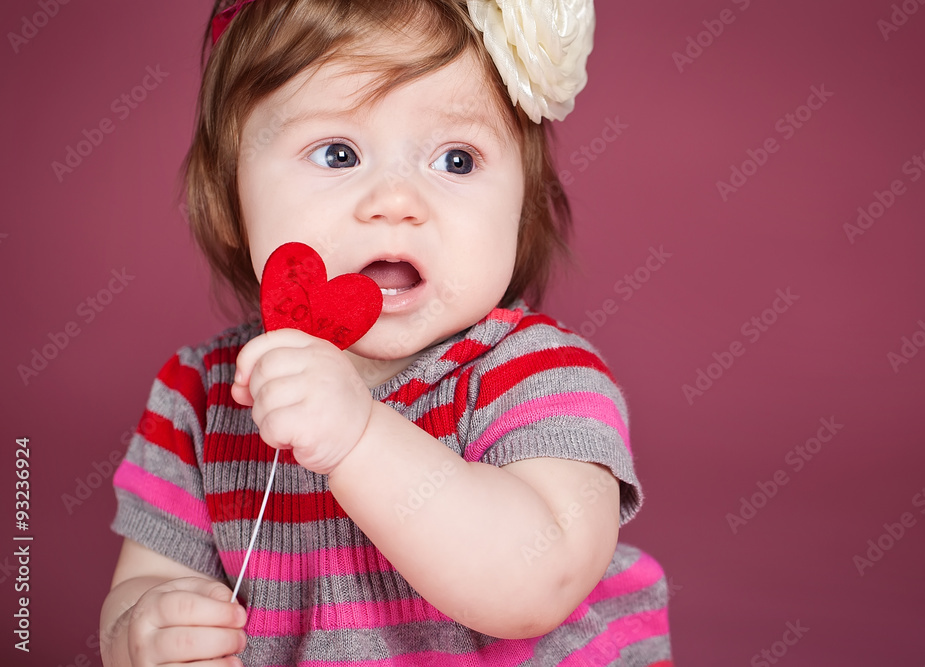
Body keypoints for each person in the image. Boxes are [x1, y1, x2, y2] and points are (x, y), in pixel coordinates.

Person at [100, 0, 673, 665]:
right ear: (231, 198)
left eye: (456, 160)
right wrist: (144, 630)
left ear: (521, 209)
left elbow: (538, 580)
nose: (397, 201)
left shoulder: (544, 377)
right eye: (338, 154)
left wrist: (358, 437)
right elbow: (145, 579)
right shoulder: (201, 399)